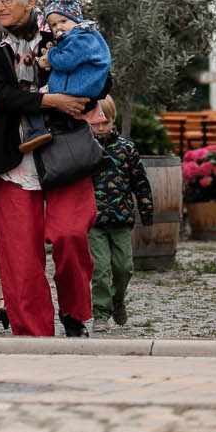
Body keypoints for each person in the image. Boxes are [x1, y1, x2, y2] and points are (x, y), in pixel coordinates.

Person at [0, 0, 98, 337]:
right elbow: (0, 96)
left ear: (31, 1)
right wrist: (52, 98)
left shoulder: (62, 32)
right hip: (13, 156)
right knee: (20, 258)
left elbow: (100, 79)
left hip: (66, 151)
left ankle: (75, 313)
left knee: (71, 234)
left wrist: (80, 95)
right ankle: (33, 336)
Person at [86, 96, 154, 327]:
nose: (102, 127)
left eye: (106, 121)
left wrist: (146, 212)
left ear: (114, 120)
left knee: (124, 267)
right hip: (94, 220)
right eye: (97, 122)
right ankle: (101, 314)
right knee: (101, 268)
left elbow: (140, 183)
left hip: (121, 218)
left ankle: (118, 301)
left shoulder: (127, 148)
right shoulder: (83, 147)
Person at [18, 0, 112, 152]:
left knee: (35, 97)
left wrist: (53, 54)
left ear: (75, 20)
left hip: (75, 88)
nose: (58, 27)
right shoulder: (84, 36)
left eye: (63, 21)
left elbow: (66, 62)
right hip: (83, 87)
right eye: (53, 24)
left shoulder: (80, 38)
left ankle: (38, 131)